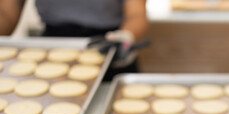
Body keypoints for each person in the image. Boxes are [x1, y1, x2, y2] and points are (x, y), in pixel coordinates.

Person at [0, 0, 148, 79]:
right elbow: (6, 14)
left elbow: (137, 15)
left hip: (109, 47)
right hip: (52, 51)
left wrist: (125, 37)